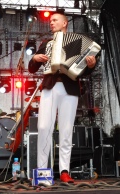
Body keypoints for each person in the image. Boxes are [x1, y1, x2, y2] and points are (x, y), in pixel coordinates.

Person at [28, 12, 96, 183]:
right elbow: (32, 69)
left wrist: (91, 65)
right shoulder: (46, 43)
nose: (51, 23)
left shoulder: (78, 42)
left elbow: (84, 69)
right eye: (50, 21)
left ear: (65, 23)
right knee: (44, 127)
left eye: (54, 20)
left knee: (66, 130)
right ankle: (43, 172)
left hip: (70, 88)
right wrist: (35, 58)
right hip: (50, 87)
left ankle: (65, 170)